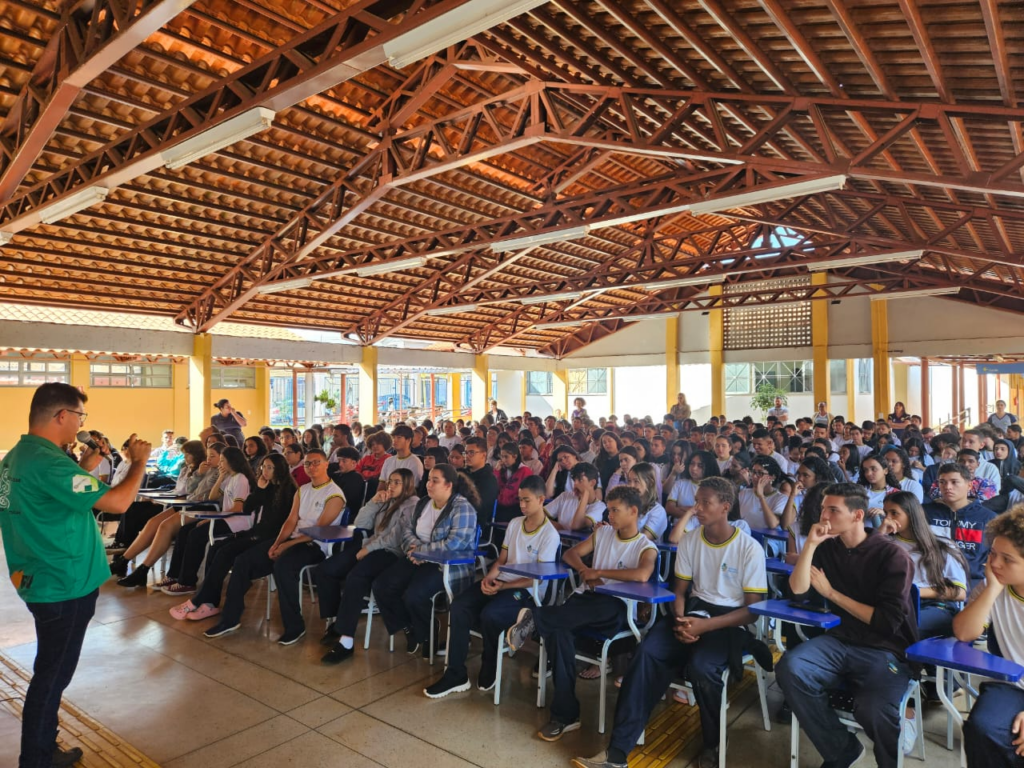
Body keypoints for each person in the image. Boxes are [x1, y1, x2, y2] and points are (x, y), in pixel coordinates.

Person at [0, 383, 152, 768]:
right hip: (63, 584)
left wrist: (85, 465)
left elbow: (51, 493)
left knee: (50, 670)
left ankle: (42, 747)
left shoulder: (18, 458)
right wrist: (138, 462)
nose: (81, 424)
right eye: (80, 416)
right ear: (62, 416)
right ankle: (36, 758)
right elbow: (118, 502)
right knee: (52, 676)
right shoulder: (50, 463)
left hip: (35, 576)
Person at [571, 478, 768, 768]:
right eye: (696, 501)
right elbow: (679, 592)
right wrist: (680, 620)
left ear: (725, 506)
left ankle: (713, 742)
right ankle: (616, 754)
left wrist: (703, 627)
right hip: (692, 613)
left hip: (729, 621)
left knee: (703, 668)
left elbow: (752, 612)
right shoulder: (691, 539)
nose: (697, 508)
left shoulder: (748, 548)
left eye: (705, 503)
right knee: (647, 653)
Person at [775, 483, 918, 768]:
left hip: (886, 649)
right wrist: (811, 545)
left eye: (833, 510)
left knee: (874, 709)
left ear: (857, 516)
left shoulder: (892, 556)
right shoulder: (828, 548)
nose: (823, 516)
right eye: (823, 508)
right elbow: (798, 591)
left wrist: (831, 594)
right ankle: (841, 750)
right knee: (791, 667)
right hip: (841, 640)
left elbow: (886, 622)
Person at [506, 485, 658, 742]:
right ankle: (565, 716)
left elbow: (642, 574)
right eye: (608, 509)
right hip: (585, 602)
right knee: (559, 634)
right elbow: (571, 553)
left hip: (617, 608)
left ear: (634, 511)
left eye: (615, 510)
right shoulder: (604, 534)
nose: (609, 515)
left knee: (586, 609)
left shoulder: (646, 546)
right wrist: (584, 570)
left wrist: (600, 573)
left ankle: (536, 619)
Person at [424, 475, 560, 697]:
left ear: (541, 499)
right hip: (502, 581)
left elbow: (537, 579)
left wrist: (501, 587)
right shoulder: (516, 524)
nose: (522, 505)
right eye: (520, 500)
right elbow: (502, 560)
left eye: (527, 500)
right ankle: (455, 674)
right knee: (459, 605)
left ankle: (490, 662)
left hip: (525, 591)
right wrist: (488, 579)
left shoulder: (549, 534)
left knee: (491, 614)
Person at [202, 449, 345, 644]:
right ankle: (230, 619)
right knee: (243, 561)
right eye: (307, 463)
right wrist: (277, 543)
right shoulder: (303, 490)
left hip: (314, 546)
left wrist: (287, 545)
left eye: (316, 462)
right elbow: (290, 520)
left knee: (283, 566)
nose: (311, 467)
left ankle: (295, 626)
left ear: (327, 463)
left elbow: (319, 529)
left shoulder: (335, 494)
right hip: (291, 541)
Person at [169, 453, 298, 622]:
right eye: (263, 466)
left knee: (226, 552)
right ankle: (210, 602)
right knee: (216, 548)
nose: (265, 471)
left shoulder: (289, 491)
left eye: (269, 467)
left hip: (269, 538)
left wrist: (261, 492)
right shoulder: (268, 487)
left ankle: (199, 601)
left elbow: (279, 522)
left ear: (279, 469)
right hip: (256, 533)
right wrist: (260, 489)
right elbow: (248, 507)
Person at [370, 464, 480, 656]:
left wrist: (421, 551)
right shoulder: (423, 503)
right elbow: (407, 531)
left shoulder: (462, 508)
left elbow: (454, 544)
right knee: (382, 585)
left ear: (449, 485)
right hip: (416, 557)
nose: (429, 484)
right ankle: (409, 627)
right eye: (428, 480)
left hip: (445, 564)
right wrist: (415, 551)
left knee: (414, 595)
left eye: (435, 481)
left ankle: (428, 634)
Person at [318, 468, 419, 663]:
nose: (392, 485)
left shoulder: (412, 505)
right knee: (326, 570)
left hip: (391, 552)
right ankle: (338, 622)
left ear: (408, 485)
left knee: (356, 577)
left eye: (397, 482)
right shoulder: (386, 500)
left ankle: (345, 641)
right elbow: (360, 522)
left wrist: (368, 549)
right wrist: (374, 502)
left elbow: (396, 538)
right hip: (370, 546)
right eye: (390, 481)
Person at [954, 504, 1024, 767]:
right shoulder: (992, 587)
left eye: (1008, 559)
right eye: (993, 553)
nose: (995, 563)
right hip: (1011, 684)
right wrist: (993, 589)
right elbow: (963, 632)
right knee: (982, 728)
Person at [879, 492, 968, 638]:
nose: (888, 519)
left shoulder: (941, 543)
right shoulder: (886, 542)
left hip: (936, 605)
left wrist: (915, 591)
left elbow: (959, 592)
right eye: (885, 513)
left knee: (902, 627)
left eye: (894, 513)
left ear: (911, 514)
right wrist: (880, 536)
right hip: (898, 603)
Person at [923, 463, 997, 586]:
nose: (948, 487)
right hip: (931, 579)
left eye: (954, 482)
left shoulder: (988, 518)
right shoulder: (924, 512)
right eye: (942, 482)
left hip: (973, 581)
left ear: (969, 485)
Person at [545, 462, 605, 531]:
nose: (575, 484)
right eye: (574, 480)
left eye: (580, 480)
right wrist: (558, 527)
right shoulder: (565, 496)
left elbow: (576, 526)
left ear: (592, 483)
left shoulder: (600, 507)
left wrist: (584, 497)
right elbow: (539, 516)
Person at [494, 443, 532, 523]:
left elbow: (523, 493)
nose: (503, 460)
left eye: (506, 457)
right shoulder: (503, 470)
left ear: (515, 456)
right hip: (502, 504)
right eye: (502, 456)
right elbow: (496, 487)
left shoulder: (524, 471)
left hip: (516, 507)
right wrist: (497, 471)